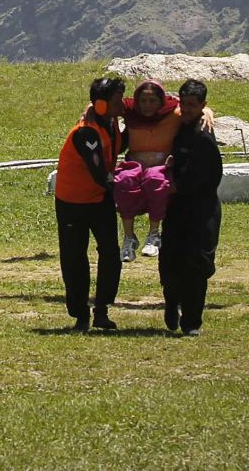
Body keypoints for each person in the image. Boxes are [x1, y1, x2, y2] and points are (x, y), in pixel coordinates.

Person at [55, 76, 126, 332]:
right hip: (72, 201)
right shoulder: (85, 132)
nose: (123, 106)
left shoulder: (109, 119)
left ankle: (102, 309)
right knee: (75, 257)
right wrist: (128, 189)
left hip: (100, 198)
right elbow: (98, 171)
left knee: (110, 253)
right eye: (117, 101)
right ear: (102, 104)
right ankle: (80, 314)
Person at [160, 79, 224, 336]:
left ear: (202, 105)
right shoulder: (179, 126)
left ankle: (191, 322)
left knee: (197, 266)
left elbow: (209, 177)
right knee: (171, 260)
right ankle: (171, 302)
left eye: (192, 106)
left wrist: (180, 186)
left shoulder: (203, 135)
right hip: (176, 209)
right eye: (183, 104)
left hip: (201, 209)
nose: (186, 110)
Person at [114, 79, 181, 261]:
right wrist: (87, 110)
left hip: (161, 166)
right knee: (122, 181)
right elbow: (102, 102)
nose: (147, 106)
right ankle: (129, 238)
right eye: (143, 101)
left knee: (155, 180)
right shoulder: (130, 112)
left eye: (152, 101)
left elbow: (197, 108)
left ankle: (153, 234)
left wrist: (207, 112)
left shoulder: (174, 112)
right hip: (135, 164)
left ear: (161, 101)